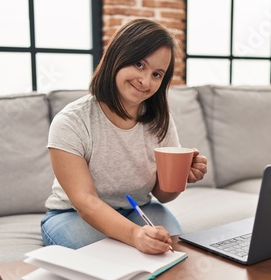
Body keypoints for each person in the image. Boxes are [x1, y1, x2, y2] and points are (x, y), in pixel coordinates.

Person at [41, 18, 208, 254]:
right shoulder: (71, 121)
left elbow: (163, 194)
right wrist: (135, 235)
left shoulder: (161, 119)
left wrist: (181, 176)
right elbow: (85, 202)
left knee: (170, 251)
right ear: (117, 57)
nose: (145, 81)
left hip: (138, 208)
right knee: (111, 256)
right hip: (72, 214)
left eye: (157, 74)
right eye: (139, 64)